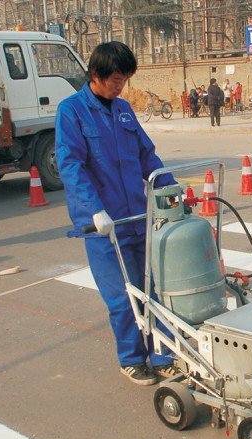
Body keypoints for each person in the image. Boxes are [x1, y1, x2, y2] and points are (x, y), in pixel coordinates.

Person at [55, 41, 176, 386]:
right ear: (96, 75)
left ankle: (162, 353)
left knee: (153, 292)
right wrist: (94, 211)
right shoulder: (72, 111)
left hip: (137, 219)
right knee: (123, 299)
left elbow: (146, 155)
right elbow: (71, 165)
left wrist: (169, 188)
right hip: (104, 226)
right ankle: (132, 358)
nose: (121, 86)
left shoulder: (123, 109)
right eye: (116, 80)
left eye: (125, 80)